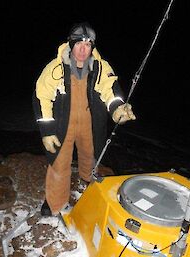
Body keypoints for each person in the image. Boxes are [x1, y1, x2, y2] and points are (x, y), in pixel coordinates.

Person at [32, 22, 136, 216]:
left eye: (88, 45)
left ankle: (88, 183)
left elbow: (110, 90)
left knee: (90, 157)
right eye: (79, 43)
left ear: (92, 47)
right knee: (59, 162)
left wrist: (117, 109)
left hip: (90, 123)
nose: (83, 49)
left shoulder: (100, 66)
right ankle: (54, 201)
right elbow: (41, 97)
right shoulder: (55, 68)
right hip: (63, 125)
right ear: (71, 44)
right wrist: (47, 131)